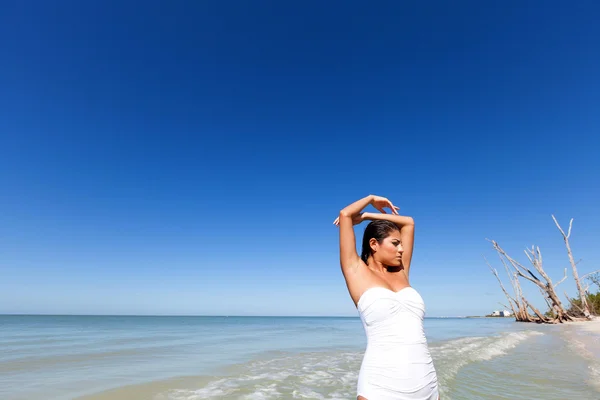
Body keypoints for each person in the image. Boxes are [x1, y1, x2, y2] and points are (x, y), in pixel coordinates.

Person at [334, 194, 439, 400]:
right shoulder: (356, 272)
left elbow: (409, 222)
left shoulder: (401, 271)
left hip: (426, 382)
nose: (401, 249)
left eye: (401, 244)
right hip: (381, 385)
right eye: (395, 243)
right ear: (374, 244)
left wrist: (368, 216)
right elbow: (345, 214)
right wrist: (371, 199)